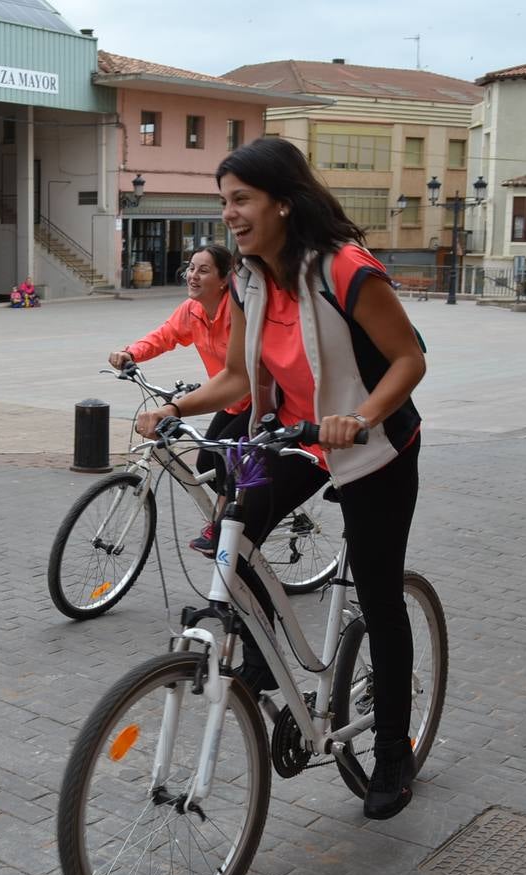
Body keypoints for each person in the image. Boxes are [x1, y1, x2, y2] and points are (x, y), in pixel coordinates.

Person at [136, 137, 427, 821]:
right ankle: (268, 673)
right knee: (223, 541)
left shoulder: (346, 269)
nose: (229, 214)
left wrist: (358, 417)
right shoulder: (247, 278)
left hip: (374, 444)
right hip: (292, 435)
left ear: (283, 204)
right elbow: (239, 377)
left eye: (241, 200)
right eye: (224, 201)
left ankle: (392, 750)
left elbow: (409, 359)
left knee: (380, 596)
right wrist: (175, 408)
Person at [108, 243, 251, 556]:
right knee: (206, 461)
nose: (193, 276)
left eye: (203, 270)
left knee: (226, 457)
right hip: (228, 399)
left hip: (258, 400)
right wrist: (131, 353)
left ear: (224, 279)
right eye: (190, 268)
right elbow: (165, 335)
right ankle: (238, 508)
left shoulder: (237, 311)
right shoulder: (193, 311)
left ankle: (228, 525)